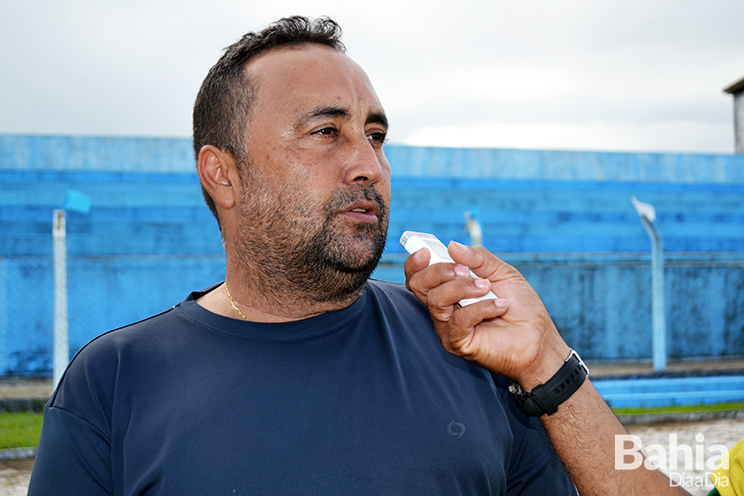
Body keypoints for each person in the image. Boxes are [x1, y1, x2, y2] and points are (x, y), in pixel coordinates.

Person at [28, 16, 688, 495]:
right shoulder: (112, 385)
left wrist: (547, 363)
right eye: (326, 132)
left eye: (376, 135)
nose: (369, 164)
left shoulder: (470, 350)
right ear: (221, 175)